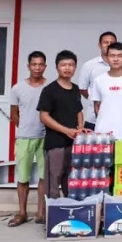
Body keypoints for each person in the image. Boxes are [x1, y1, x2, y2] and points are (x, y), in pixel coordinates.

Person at [7, 51, 48, 227]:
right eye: (34, 64)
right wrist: (25, 127)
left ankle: (41, 213)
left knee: (44, 177)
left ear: (45, 66)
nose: (37, 68)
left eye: (40, 64)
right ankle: (22, 213)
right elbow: (14, 113)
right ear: (28, 66)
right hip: (24, 138)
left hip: (45, 137)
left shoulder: (50, 87)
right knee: (23, 177)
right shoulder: (17, 88)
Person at [37, 50, 85, 200]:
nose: (67, 68)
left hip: (73, 144)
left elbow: (79, 111)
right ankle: (51, 212)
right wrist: (65, 130)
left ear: (75, 67)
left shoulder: (75, 89)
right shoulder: (49, 90)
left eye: (71, 65)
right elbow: (43, 116)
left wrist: (80, 127)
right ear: (57, 67)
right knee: (53, 183)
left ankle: (69, 209)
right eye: (64, 65)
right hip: (55, 144)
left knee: (70, 181)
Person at [89, 42, 122, 140]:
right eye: (112, 56)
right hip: (102, 131)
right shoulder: (99, 80)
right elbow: (96, 107)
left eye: (119, 56)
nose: (116, 59)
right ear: (107, 58)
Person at [75, 31, 116, 130]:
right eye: (106, 42)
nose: (109, 45)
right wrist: (94, 99)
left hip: (117, 118)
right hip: (93, 118)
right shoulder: (89, 65)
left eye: (112, 42)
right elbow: (82, 89)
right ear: (99, 45)